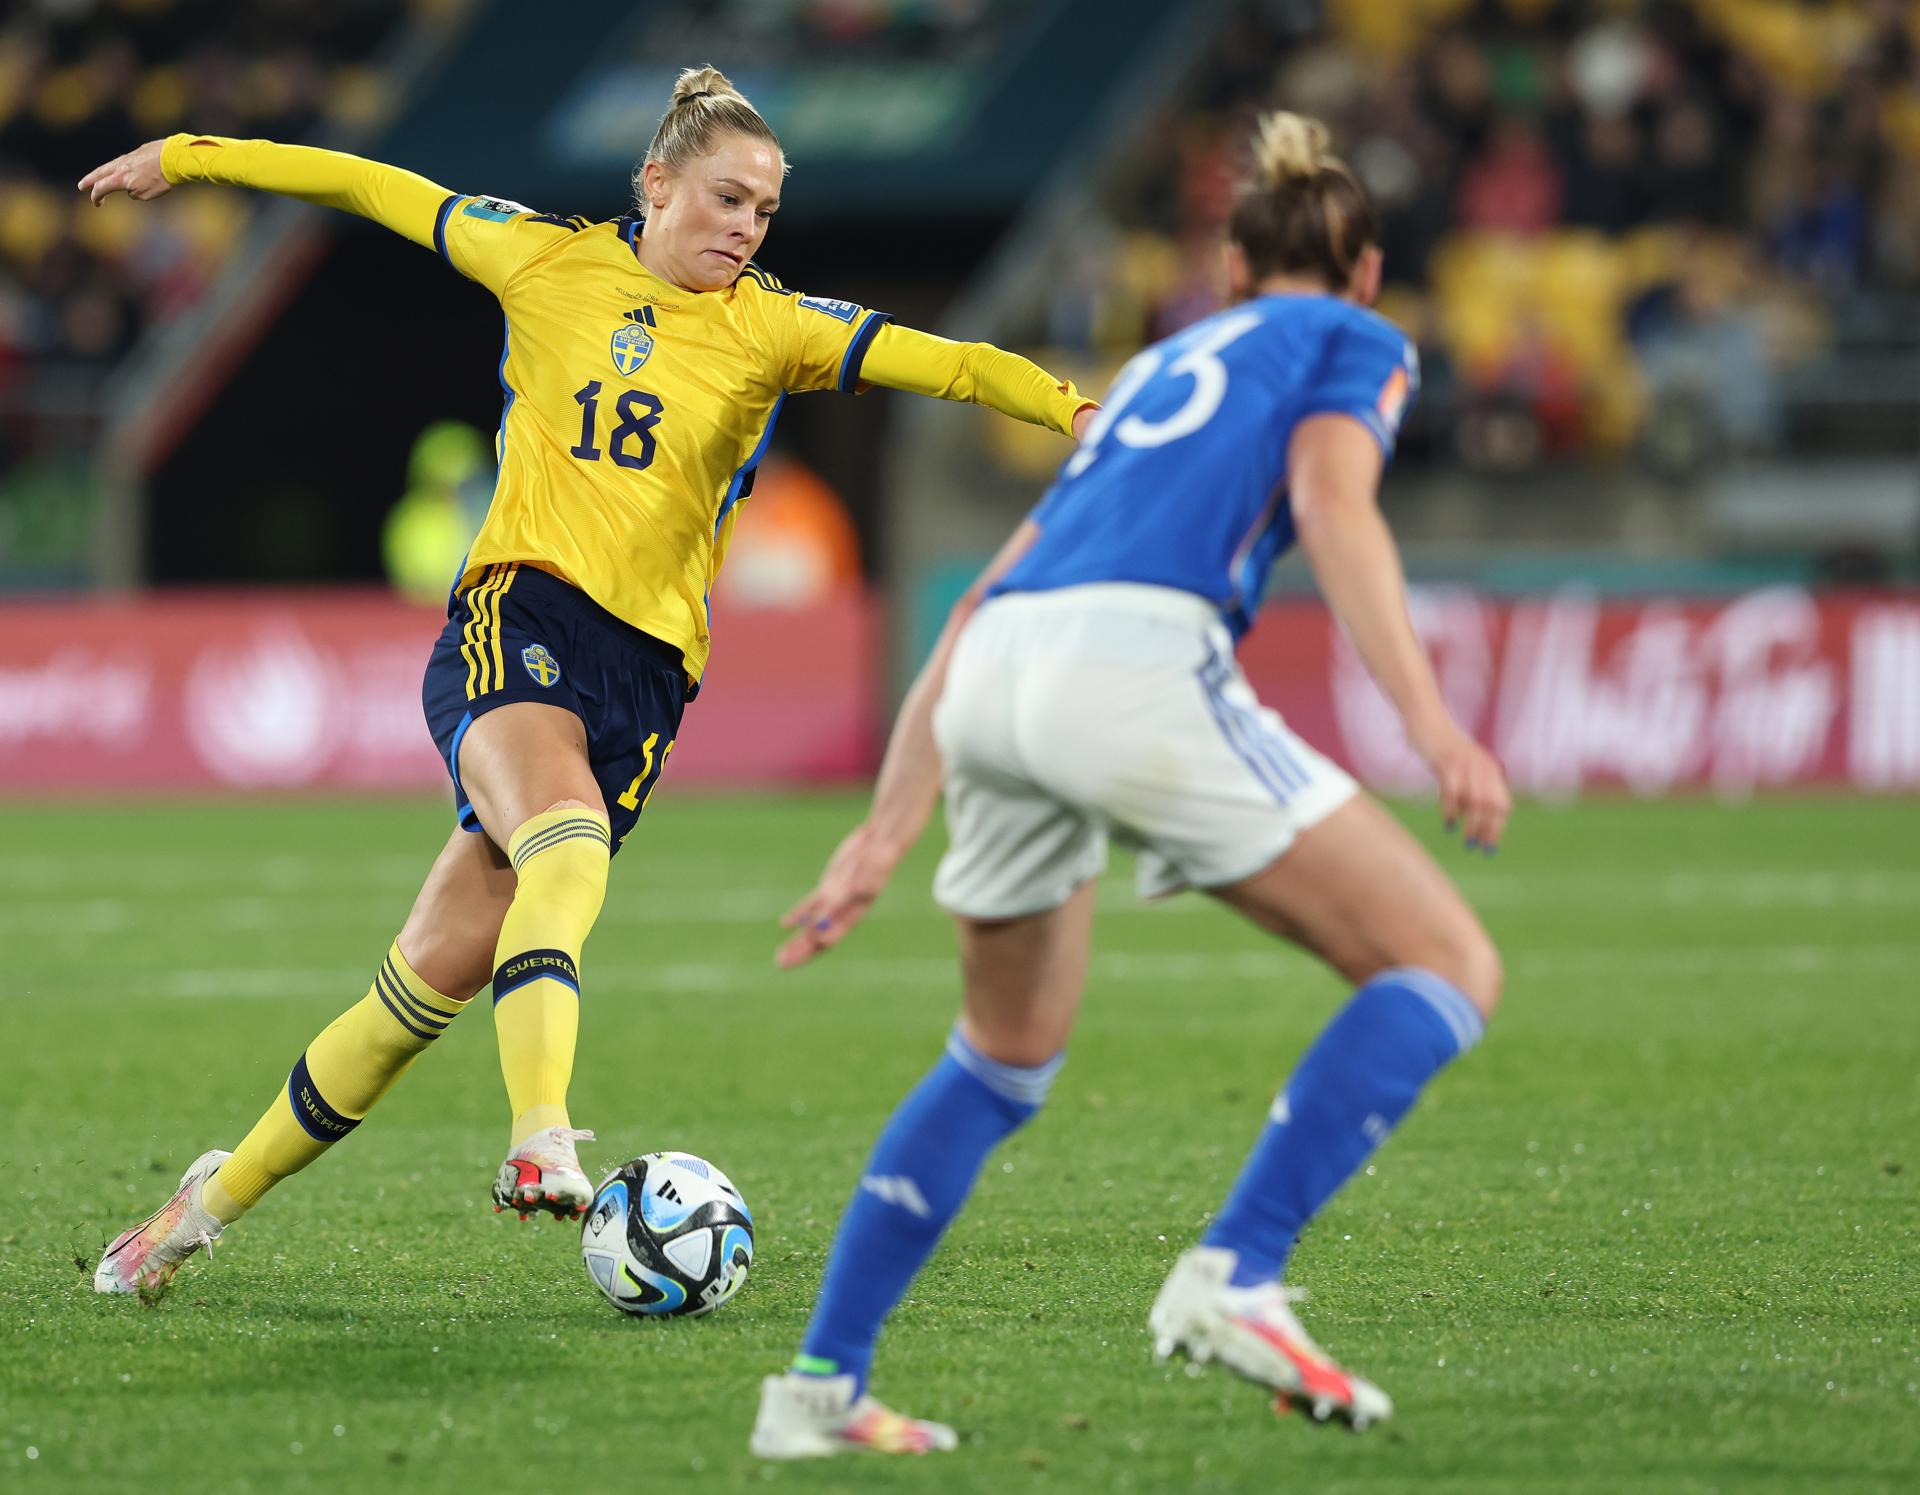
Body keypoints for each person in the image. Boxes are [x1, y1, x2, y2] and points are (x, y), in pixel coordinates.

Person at [81, 66, 1095, 1297]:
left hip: (649, 684)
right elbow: (364, 180)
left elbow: (947, 361)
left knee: (418, 992)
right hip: (521, 615)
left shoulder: (771, 327)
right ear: (657, 182)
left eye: (765, 211)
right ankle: (540, 1133)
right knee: (566, 854)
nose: (745, 229)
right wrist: (188, 152)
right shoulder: (541, 257)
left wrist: (1069, 409)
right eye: (727, 199)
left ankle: (194, 1213)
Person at [749, 112, 1509, 1458]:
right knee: (1446, 961)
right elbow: (1337, 510)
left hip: (995, 672)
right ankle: (1239, 1271)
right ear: (1371, 272)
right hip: (1133, 664)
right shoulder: (1351, 341)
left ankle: (817, 1387)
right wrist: (1438, 724)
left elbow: (984, 590)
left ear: (1227, 265)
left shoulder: (1161, 364)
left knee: (1001, 1054)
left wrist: (883, 831)